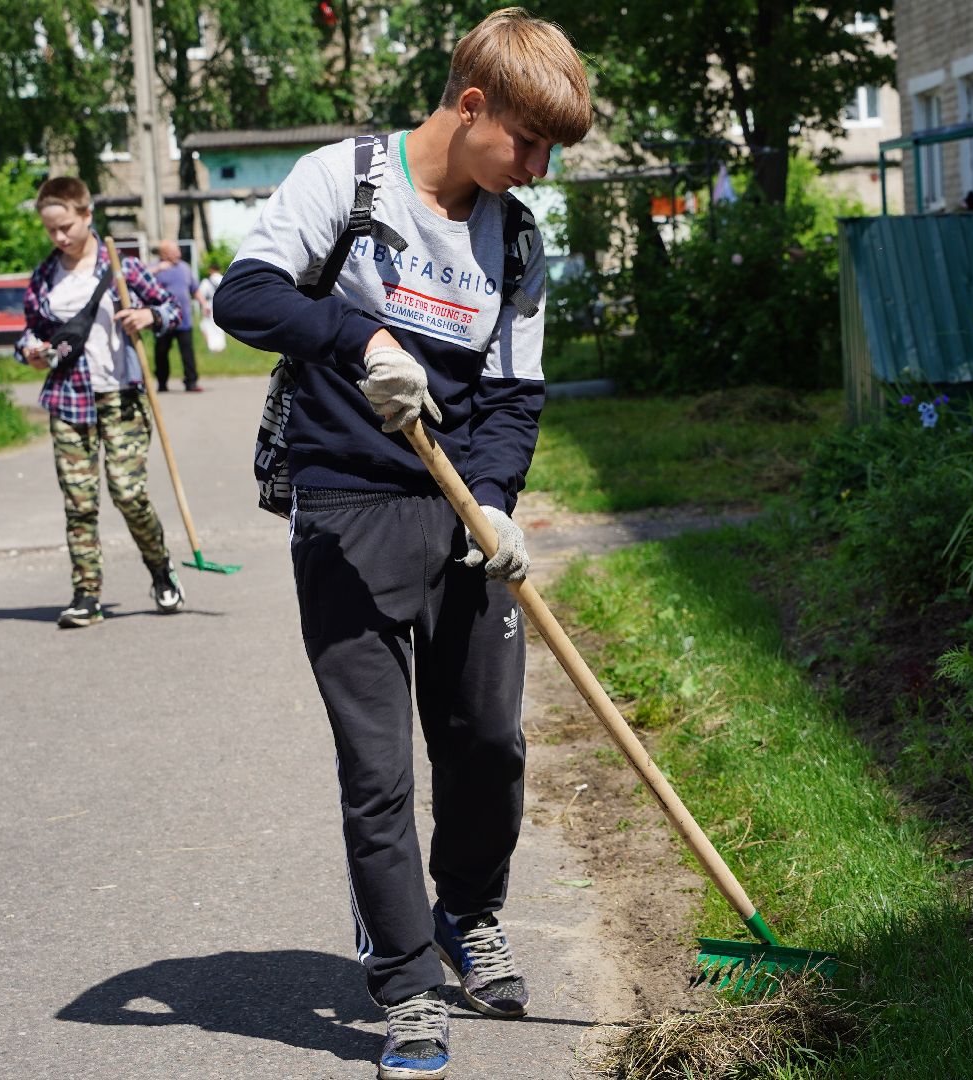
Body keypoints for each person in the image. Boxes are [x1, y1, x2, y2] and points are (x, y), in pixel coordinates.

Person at [211, 9, 590, 1078]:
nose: (537, 167)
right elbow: (241, 295)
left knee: (488, 743)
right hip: (346, 508)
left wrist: (501, 502)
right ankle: (410, 986)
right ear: (471, 106)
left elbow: (515, 389)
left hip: (462, 510)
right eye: (526, 141)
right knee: (377, 771)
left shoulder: (515, 235)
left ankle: (468, 914)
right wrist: (358, 336)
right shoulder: (350, 182)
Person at [16, 177, 187, 629]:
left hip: (121, 397)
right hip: (69, 400)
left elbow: (173, 309)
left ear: (86, 215)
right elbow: (29, 333)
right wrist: (32, 351)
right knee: (79, 502)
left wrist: (149, 315)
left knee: (128, 494)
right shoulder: (45, 277)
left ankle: (161, 570)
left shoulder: (122, 268)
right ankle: (86, 594)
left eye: (66, 227)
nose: (59, 237)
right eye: (51, 230)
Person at [149, 239, 203, 391]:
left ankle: (191, 382)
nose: (177, 253)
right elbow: (141, 276)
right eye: (173, 251)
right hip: (163, 319)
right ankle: (162, 382)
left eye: (177, 250)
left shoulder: (184, 267)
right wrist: (159, 268)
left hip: (184, 319)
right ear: (163, 254)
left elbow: (194, 288)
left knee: (187, 352)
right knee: (161, 353)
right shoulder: (155, 267)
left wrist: (204, 304)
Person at [196, 258, 227, 353]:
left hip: (209, 306)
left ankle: (212, 348)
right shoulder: (224, 279)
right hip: (222, 306)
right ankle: (221, 347)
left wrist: (203, 306)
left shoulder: (206, 281)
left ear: (211, 270)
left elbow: (200, 294)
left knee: (208, 327)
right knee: (220, 328)